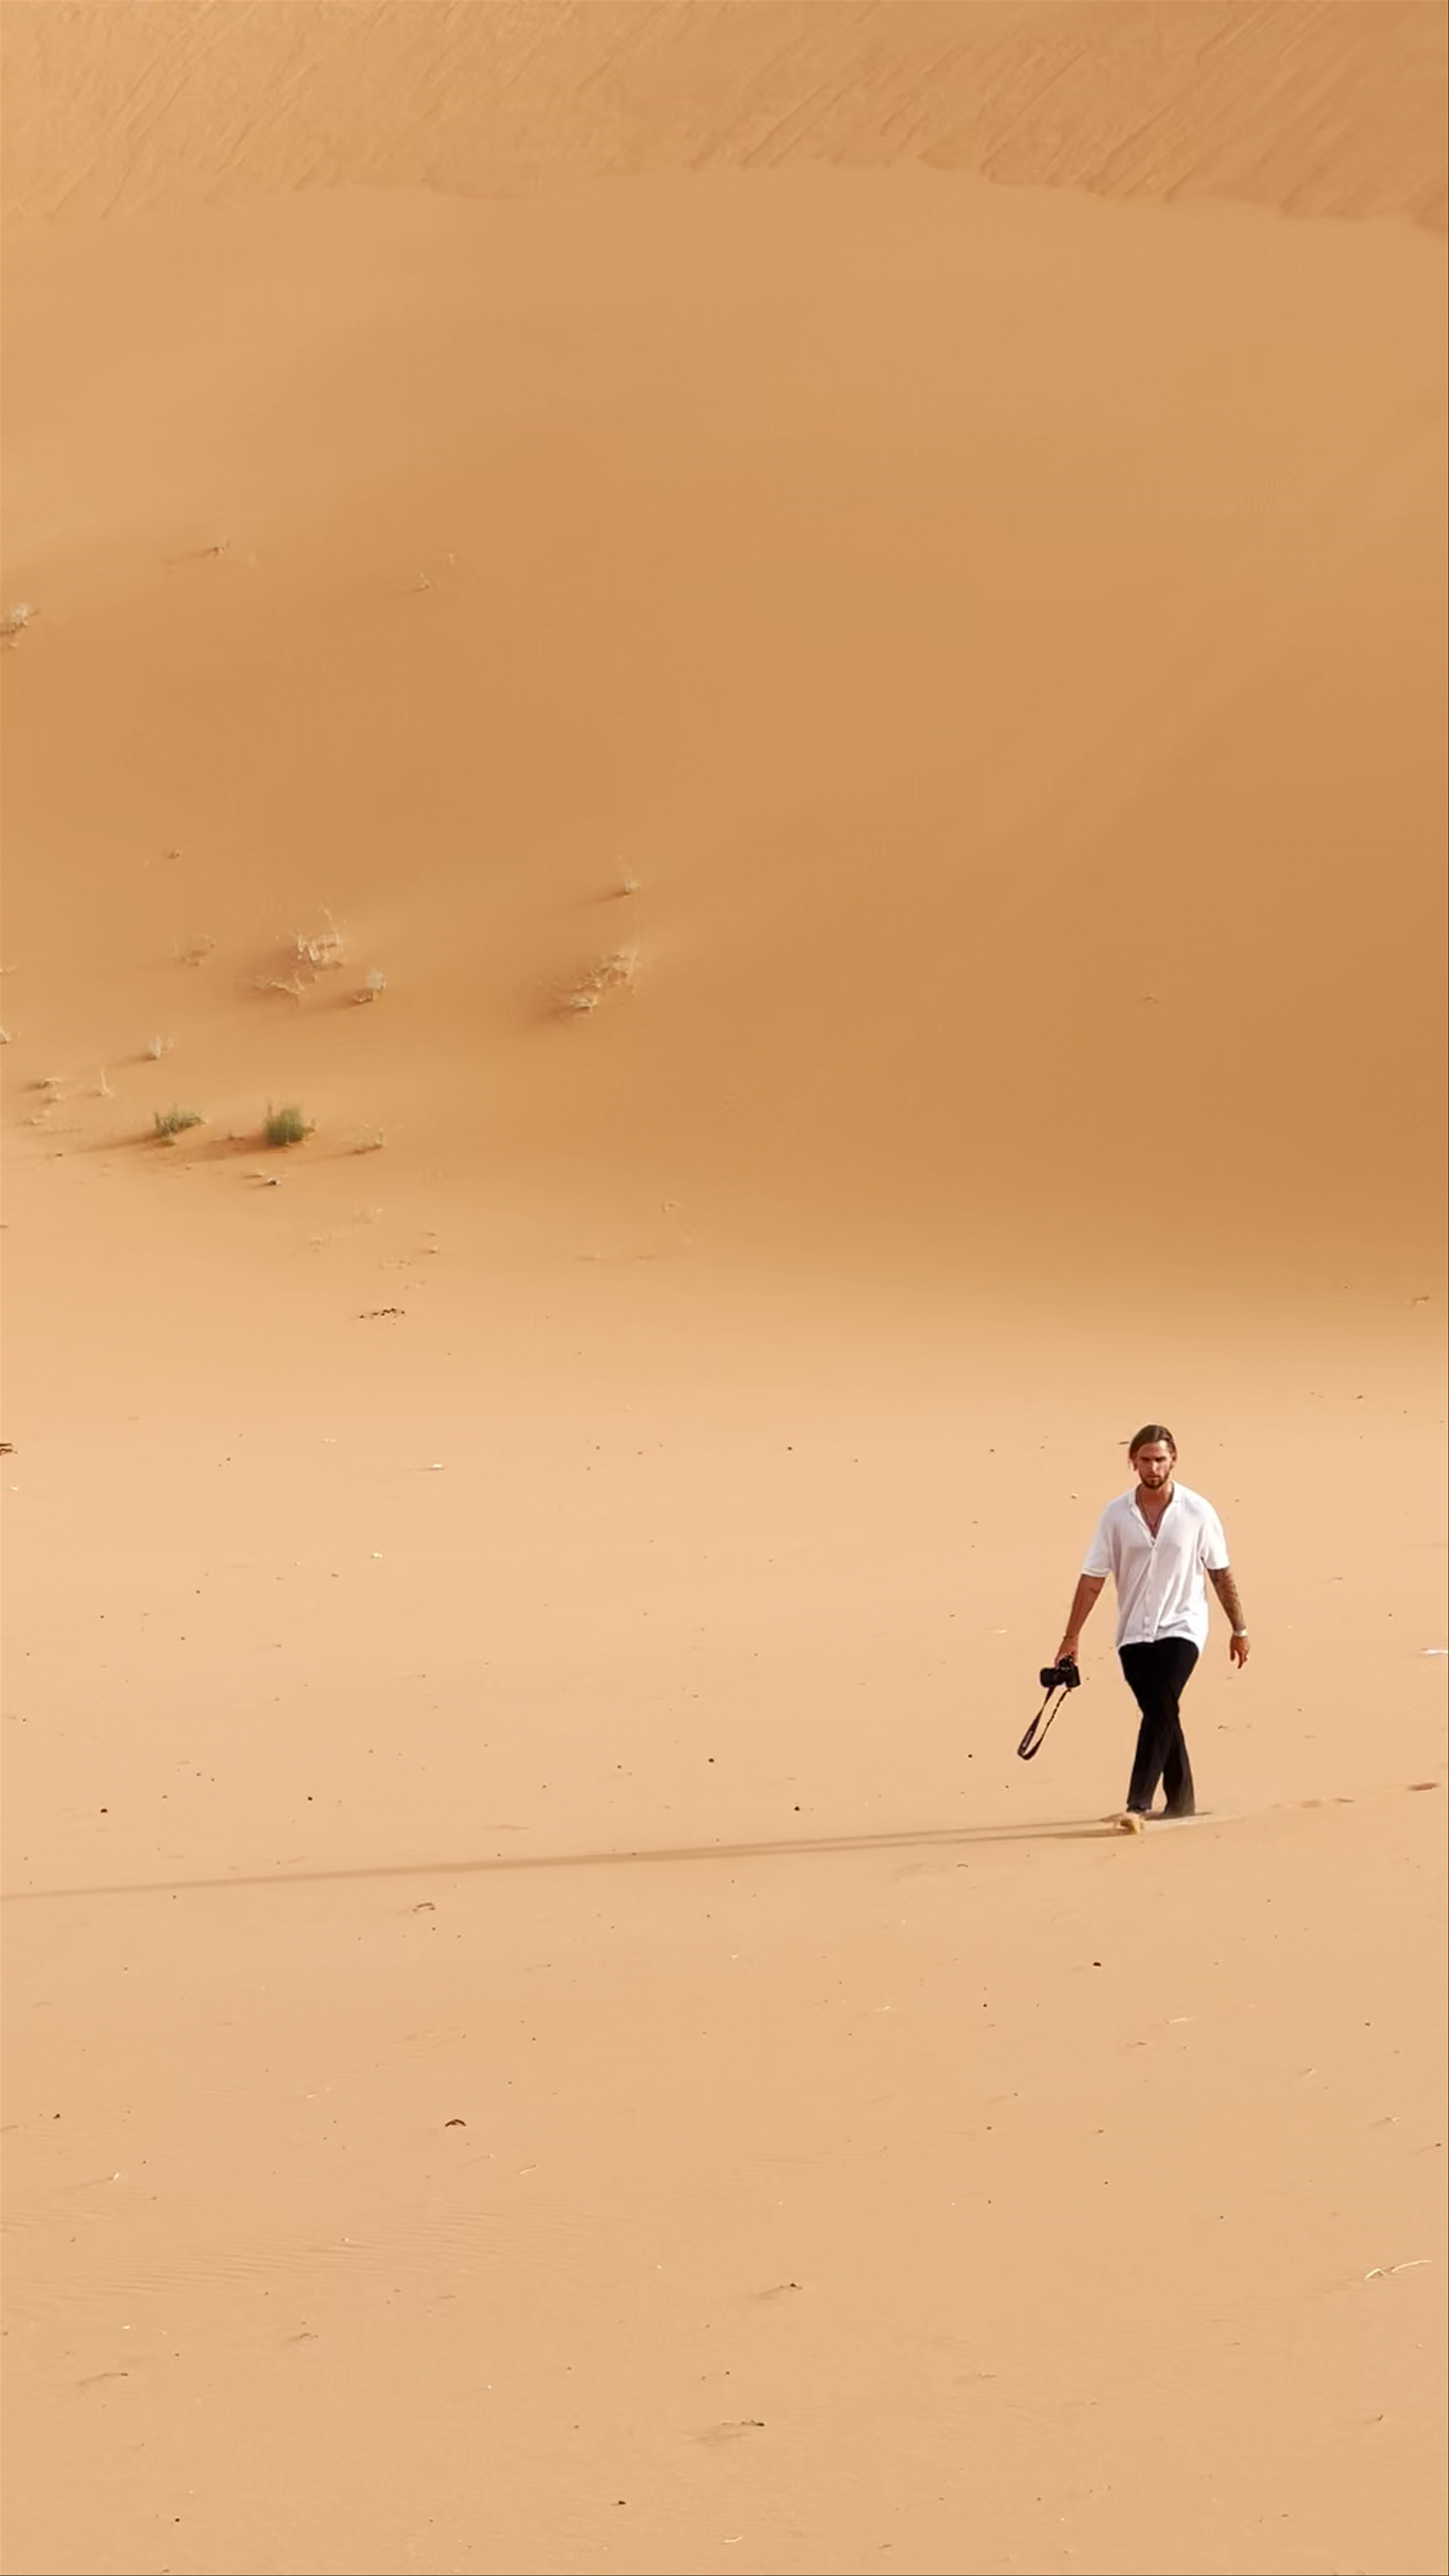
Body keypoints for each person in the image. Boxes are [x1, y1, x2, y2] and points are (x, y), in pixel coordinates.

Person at [1053, 1425, 1249, 1829]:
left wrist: (1239, 1628)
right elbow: (1093, 1578)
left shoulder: (1198, 1511)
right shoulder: (1115, 1515)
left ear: (1173, 1459)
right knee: (1162, 1710)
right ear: (1133, 1461)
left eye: (1161, 1459)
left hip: (1183, 1626)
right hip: (1133, 1633)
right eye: (1145, 1459)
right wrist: (1071, 1637)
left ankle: (1137, 1804)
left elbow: (1220, 1573)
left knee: (1160, 1704)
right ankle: (1181, 1801)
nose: (1153, 1467)